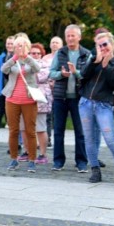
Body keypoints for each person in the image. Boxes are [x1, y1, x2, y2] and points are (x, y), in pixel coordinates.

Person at [79, 32, 114, 185]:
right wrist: (96, 62)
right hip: (85, 103)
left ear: (112, 44)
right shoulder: (94, 58)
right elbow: (83, 75)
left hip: (104, 105)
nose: (102, 48)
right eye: (99, 45)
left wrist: (106, 66)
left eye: (105, 44)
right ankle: (95, 170)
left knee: (110, 139)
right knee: (89, 139)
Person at [49, 24, 91, 173]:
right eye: (68, 36)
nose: (70, 38)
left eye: (73, 35)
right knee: (58, 131)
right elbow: (51, 73)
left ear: (79, 37)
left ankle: (81, 162)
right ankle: (58, 161)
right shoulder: (60, 53)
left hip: (79, 98)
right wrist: (61, 74)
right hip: (61, 97)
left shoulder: (87, 54)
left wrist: (76, 72)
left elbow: (89, 76)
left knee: (80, 131)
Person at [2, 36, 40, 172]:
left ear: (27, 47)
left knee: (30, 131)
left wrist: (26, 57)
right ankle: (14, 159)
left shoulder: (31, 60)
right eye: (17, 45)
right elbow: (3, 70)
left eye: (22, 45)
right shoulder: (12, 60)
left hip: (29, 100)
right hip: (12, 99)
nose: (19, 48)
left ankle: (32, 160)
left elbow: (38, 68)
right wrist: (14, 58)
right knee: (13, 130)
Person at [30, 43, 52, 164]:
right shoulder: (25, 64)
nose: (36, 55)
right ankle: (28, 152)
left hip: (40, 100)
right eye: (33, 53)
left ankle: (43, 154)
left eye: (39, 53)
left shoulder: (45, 65)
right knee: (26, 128)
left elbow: (39, 77)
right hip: (26, 99)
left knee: (40, 128)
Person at [42, 36, 63, 147]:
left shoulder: (63, 57)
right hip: (46, 89)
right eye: (53, 42)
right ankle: (47, 138)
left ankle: (58, 139)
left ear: (61, 45)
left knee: (57, 115)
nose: (54, 44)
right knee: (47, 115)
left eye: (57, 42)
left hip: (59, 88)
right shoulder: (45, 58)